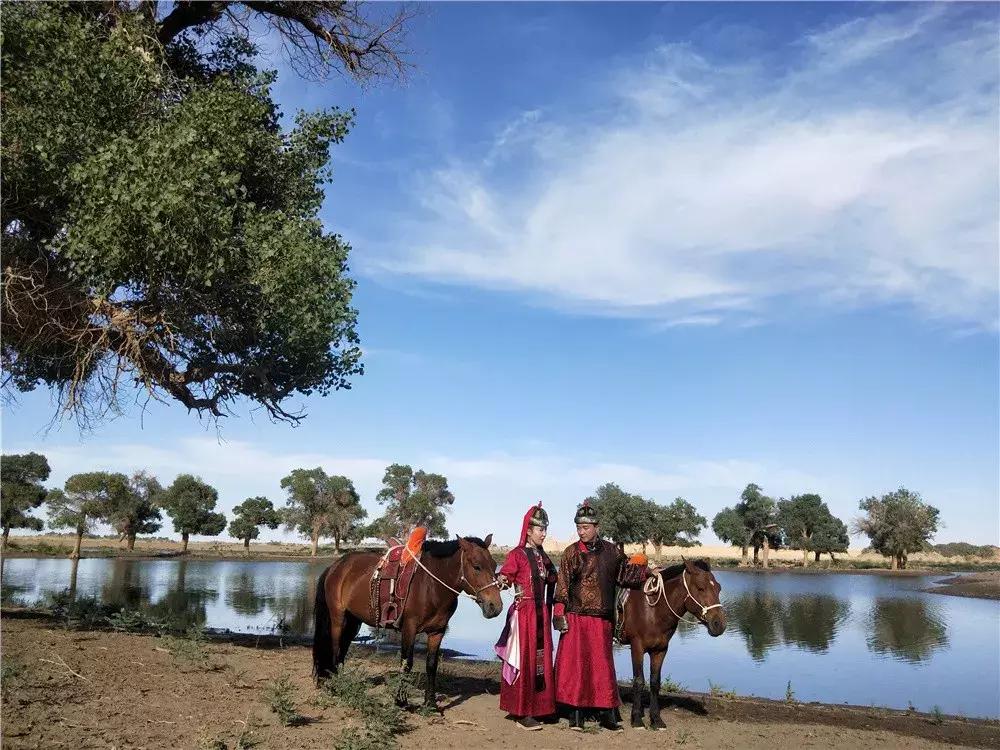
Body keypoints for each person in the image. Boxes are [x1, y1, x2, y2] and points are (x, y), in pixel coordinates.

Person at [553, 501, 647, 732]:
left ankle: (607, 714)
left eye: (585, 527)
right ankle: (575, 715)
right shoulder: (571, 552)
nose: (581, 532)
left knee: (602, 667)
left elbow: (625, 576)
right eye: (578, 527)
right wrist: (559, 614)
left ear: (597, 527)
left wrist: (646, 571)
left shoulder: (612, 551)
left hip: (602, 619)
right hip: (576, 617)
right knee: (575, 667)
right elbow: (562, 585)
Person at [494, 502, 558, 730]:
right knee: (525, 660)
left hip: (541, 614)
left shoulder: (543, 556)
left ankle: (541, 707)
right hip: (524, 615)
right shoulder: (517, 555)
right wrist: (501, 580)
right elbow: (506, 577)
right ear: (529, 531)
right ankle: (521, 711)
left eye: (545, 529)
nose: (544, 534)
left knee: (541, 659)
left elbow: (553, 578)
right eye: (540, 529)